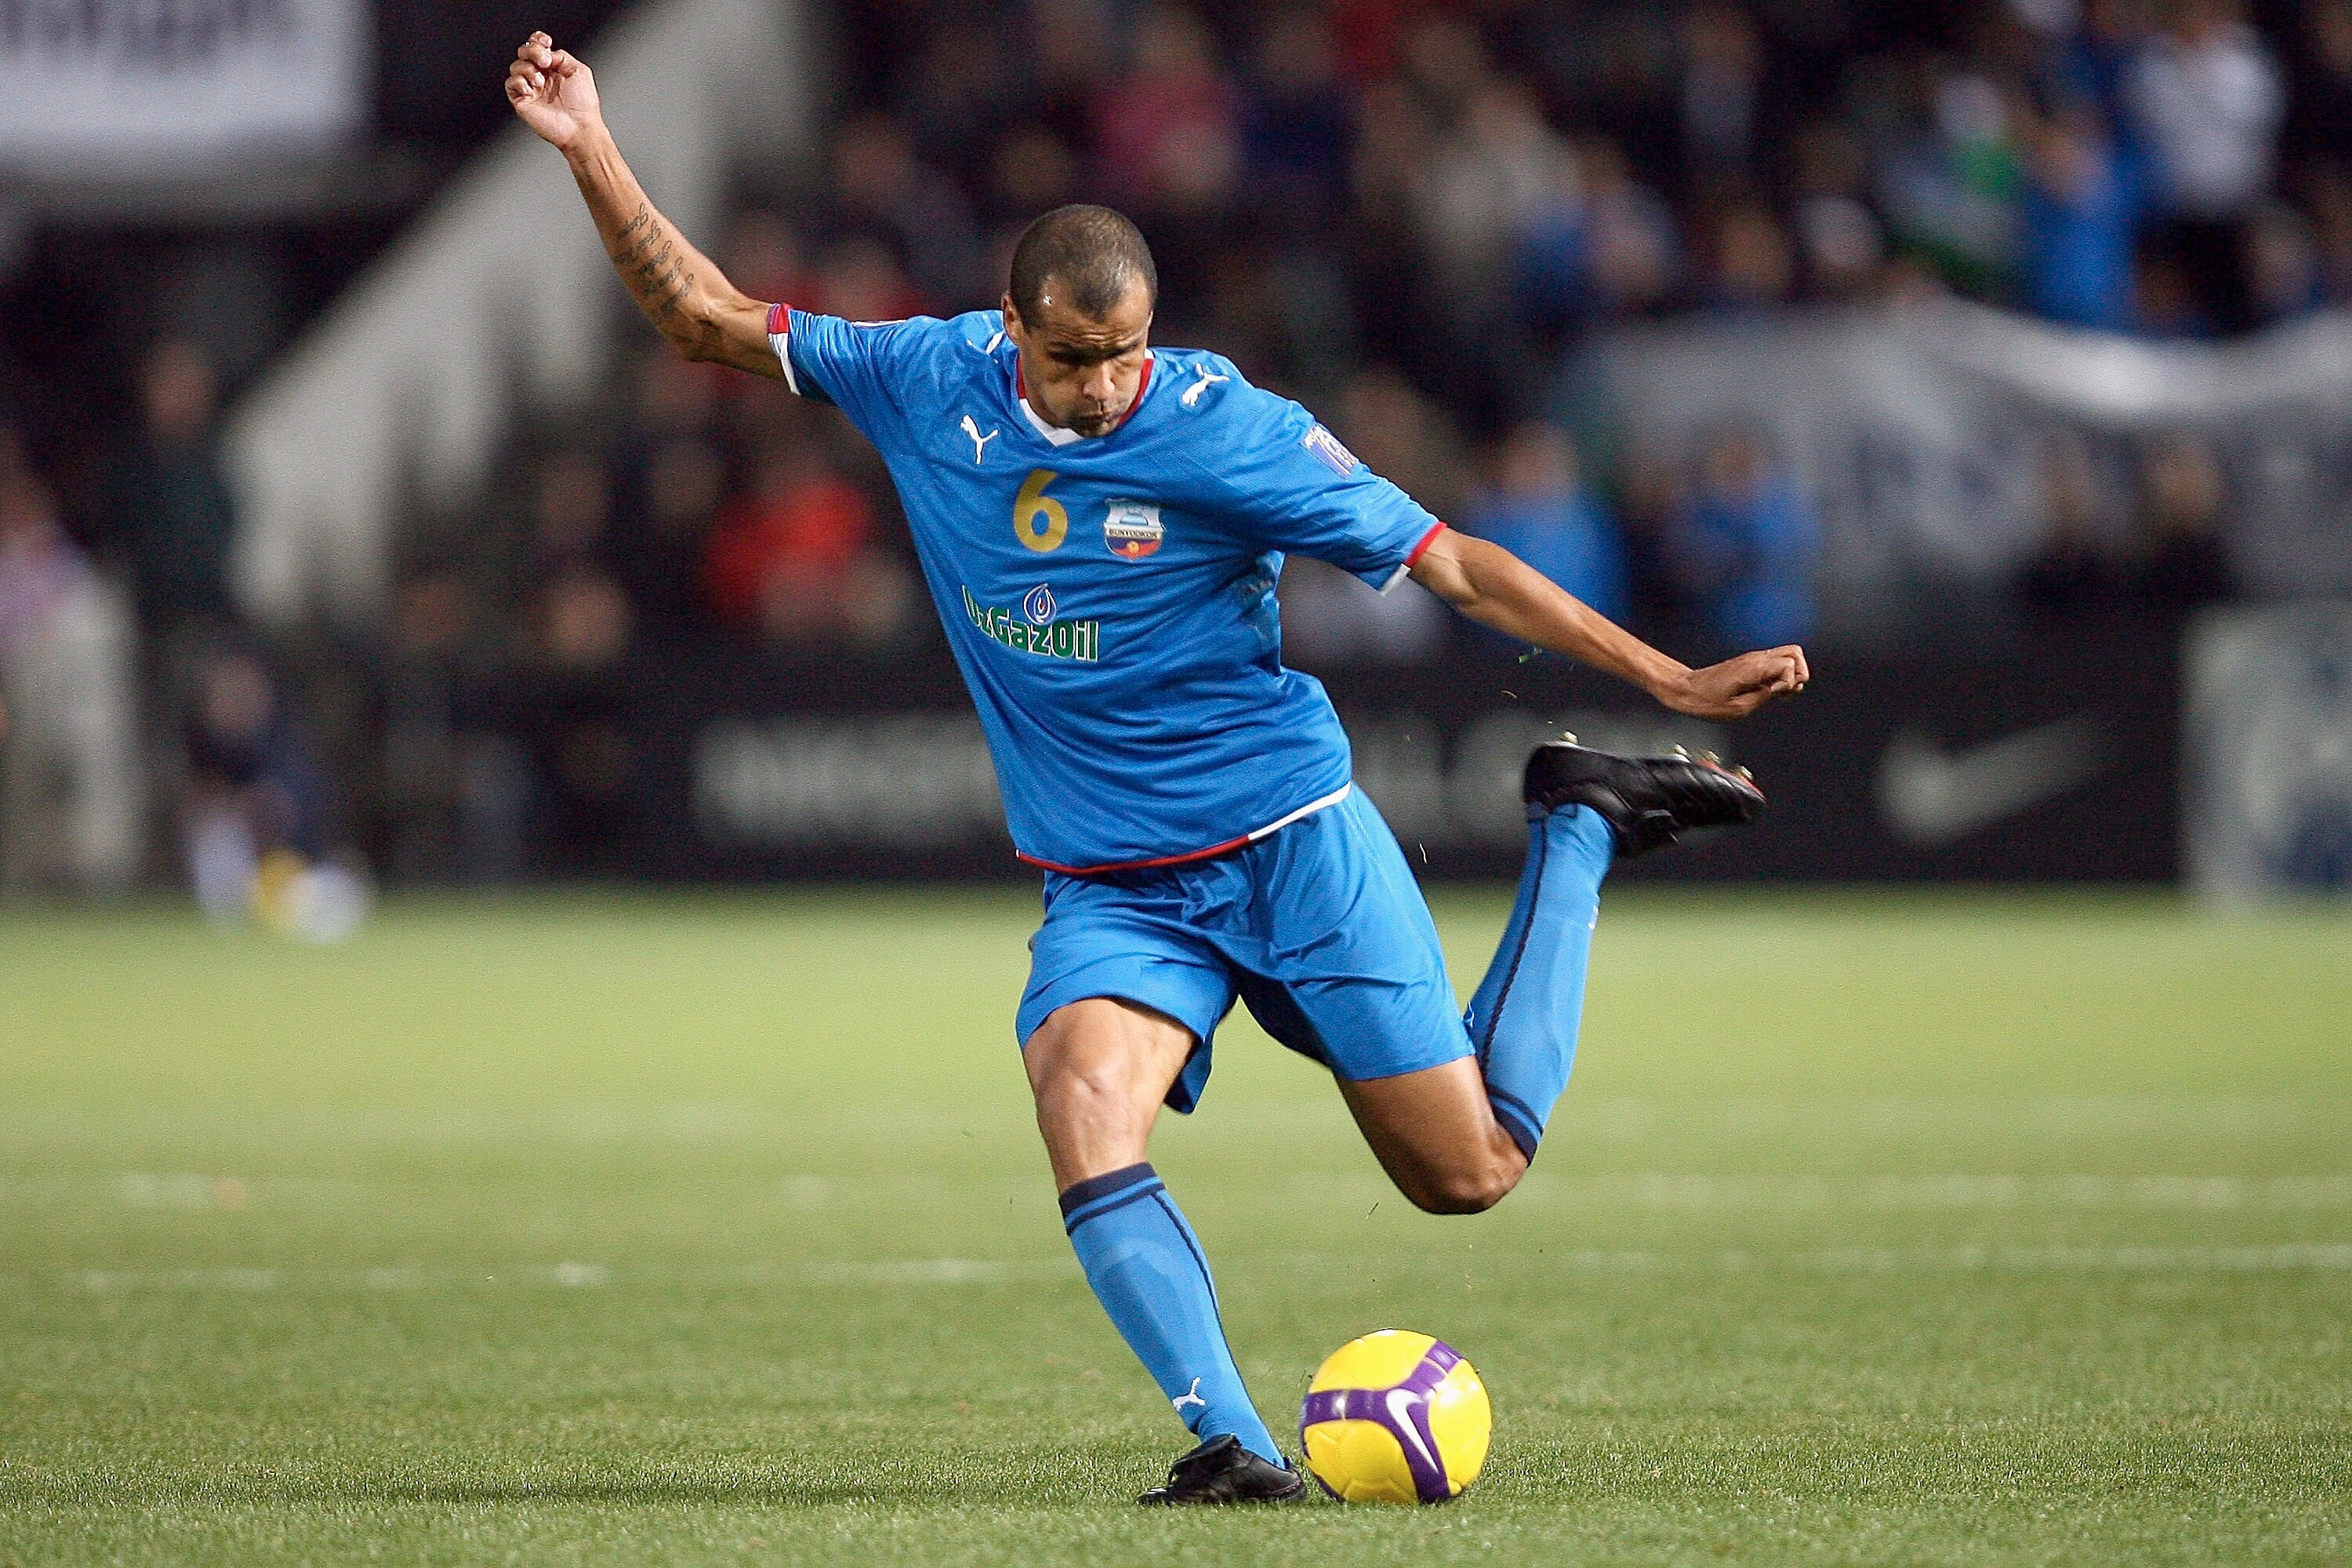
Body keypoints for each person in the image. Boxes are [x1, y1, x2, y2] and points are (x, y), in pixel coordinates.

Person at [507, 32, 1808, 1505]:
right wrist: (589, 143)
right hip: (1115, 884)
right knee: (1077, 1098)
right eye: (1075, 357)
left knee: (1467, 1175)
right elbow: (705, 319)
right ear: (1010, 325)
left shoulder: (1226, 430)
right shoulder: (923, 377)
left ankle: (1577, 824)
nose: (1108, 384)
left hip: (1288, 841)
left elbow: (1455, 563)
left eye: (1127, 350)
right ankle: (1235, 1447)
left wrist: (1668, 677)